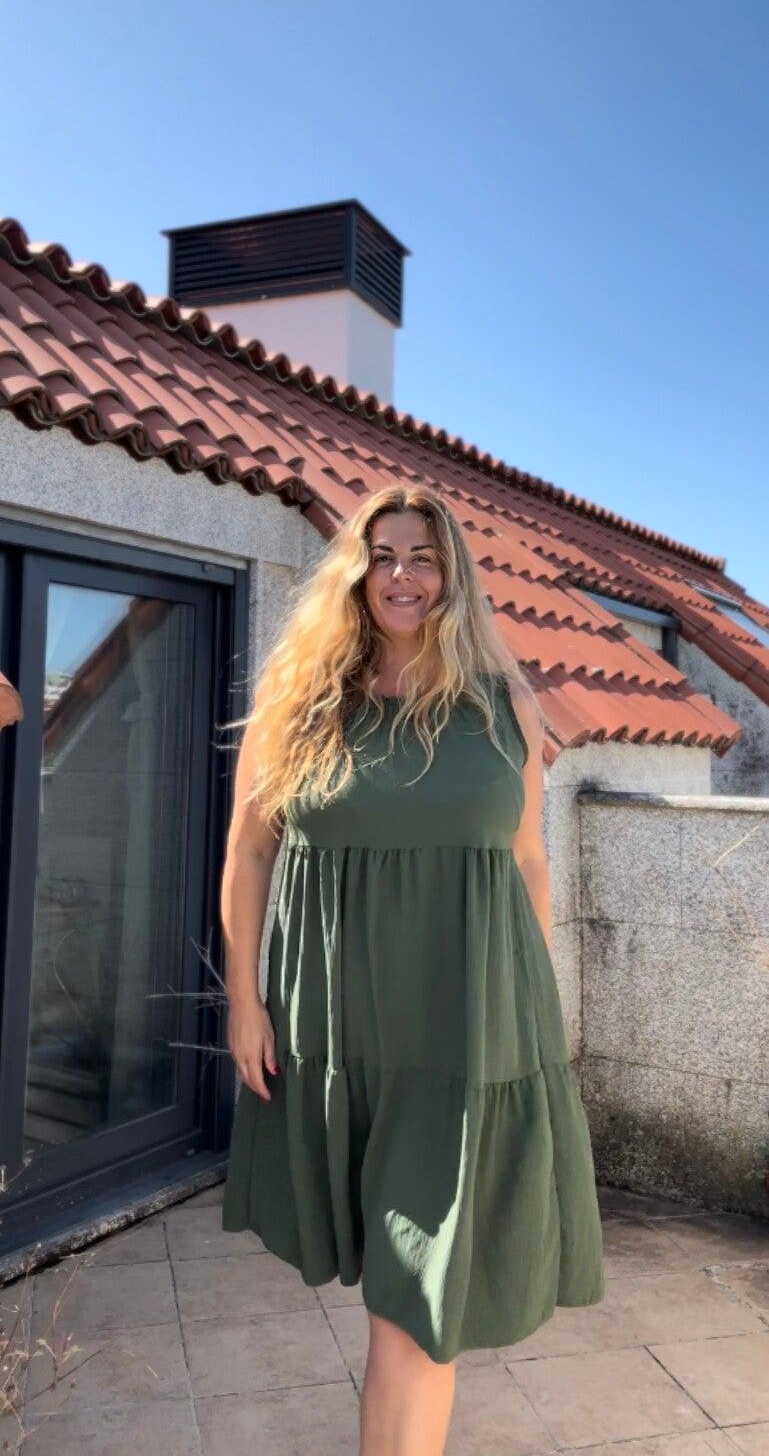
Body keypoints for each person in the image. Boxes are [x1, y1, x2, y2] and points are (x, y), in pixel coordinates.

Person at [220, 483, 605, 1456]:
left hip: (465, 1036)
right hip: (335, 1036)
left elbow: (527, 861)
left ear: (452, 576)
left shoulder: (503, 707)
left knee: (420, 1304)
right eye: (381, 554)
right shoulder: (296, 706)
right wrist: (244, 1001)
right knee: (401, 1299)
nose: (401, 574)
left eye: (423, 557)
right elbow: (250, 854)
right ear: (353, 574)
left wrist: (532, 1009)